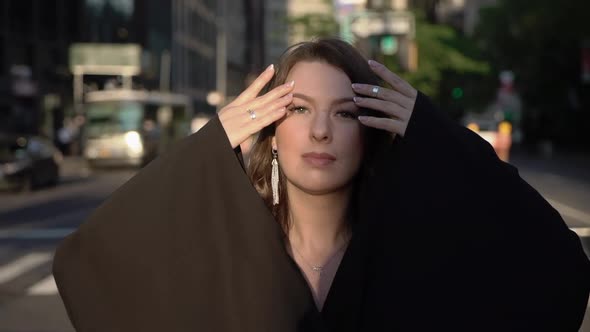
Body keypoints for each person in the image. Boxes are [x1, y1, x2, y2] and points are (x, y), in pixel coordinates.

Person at [53, 38, 590, 331]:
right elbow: (88, 260)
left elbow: (558, 267)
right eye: (298, 109)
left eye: (347, 113)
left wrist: (439, 139)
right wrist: (207, 146)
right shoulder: (225, 254)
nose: (320, 131)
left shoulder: (416, 251)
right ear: (270, 129)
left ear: (374, 131)